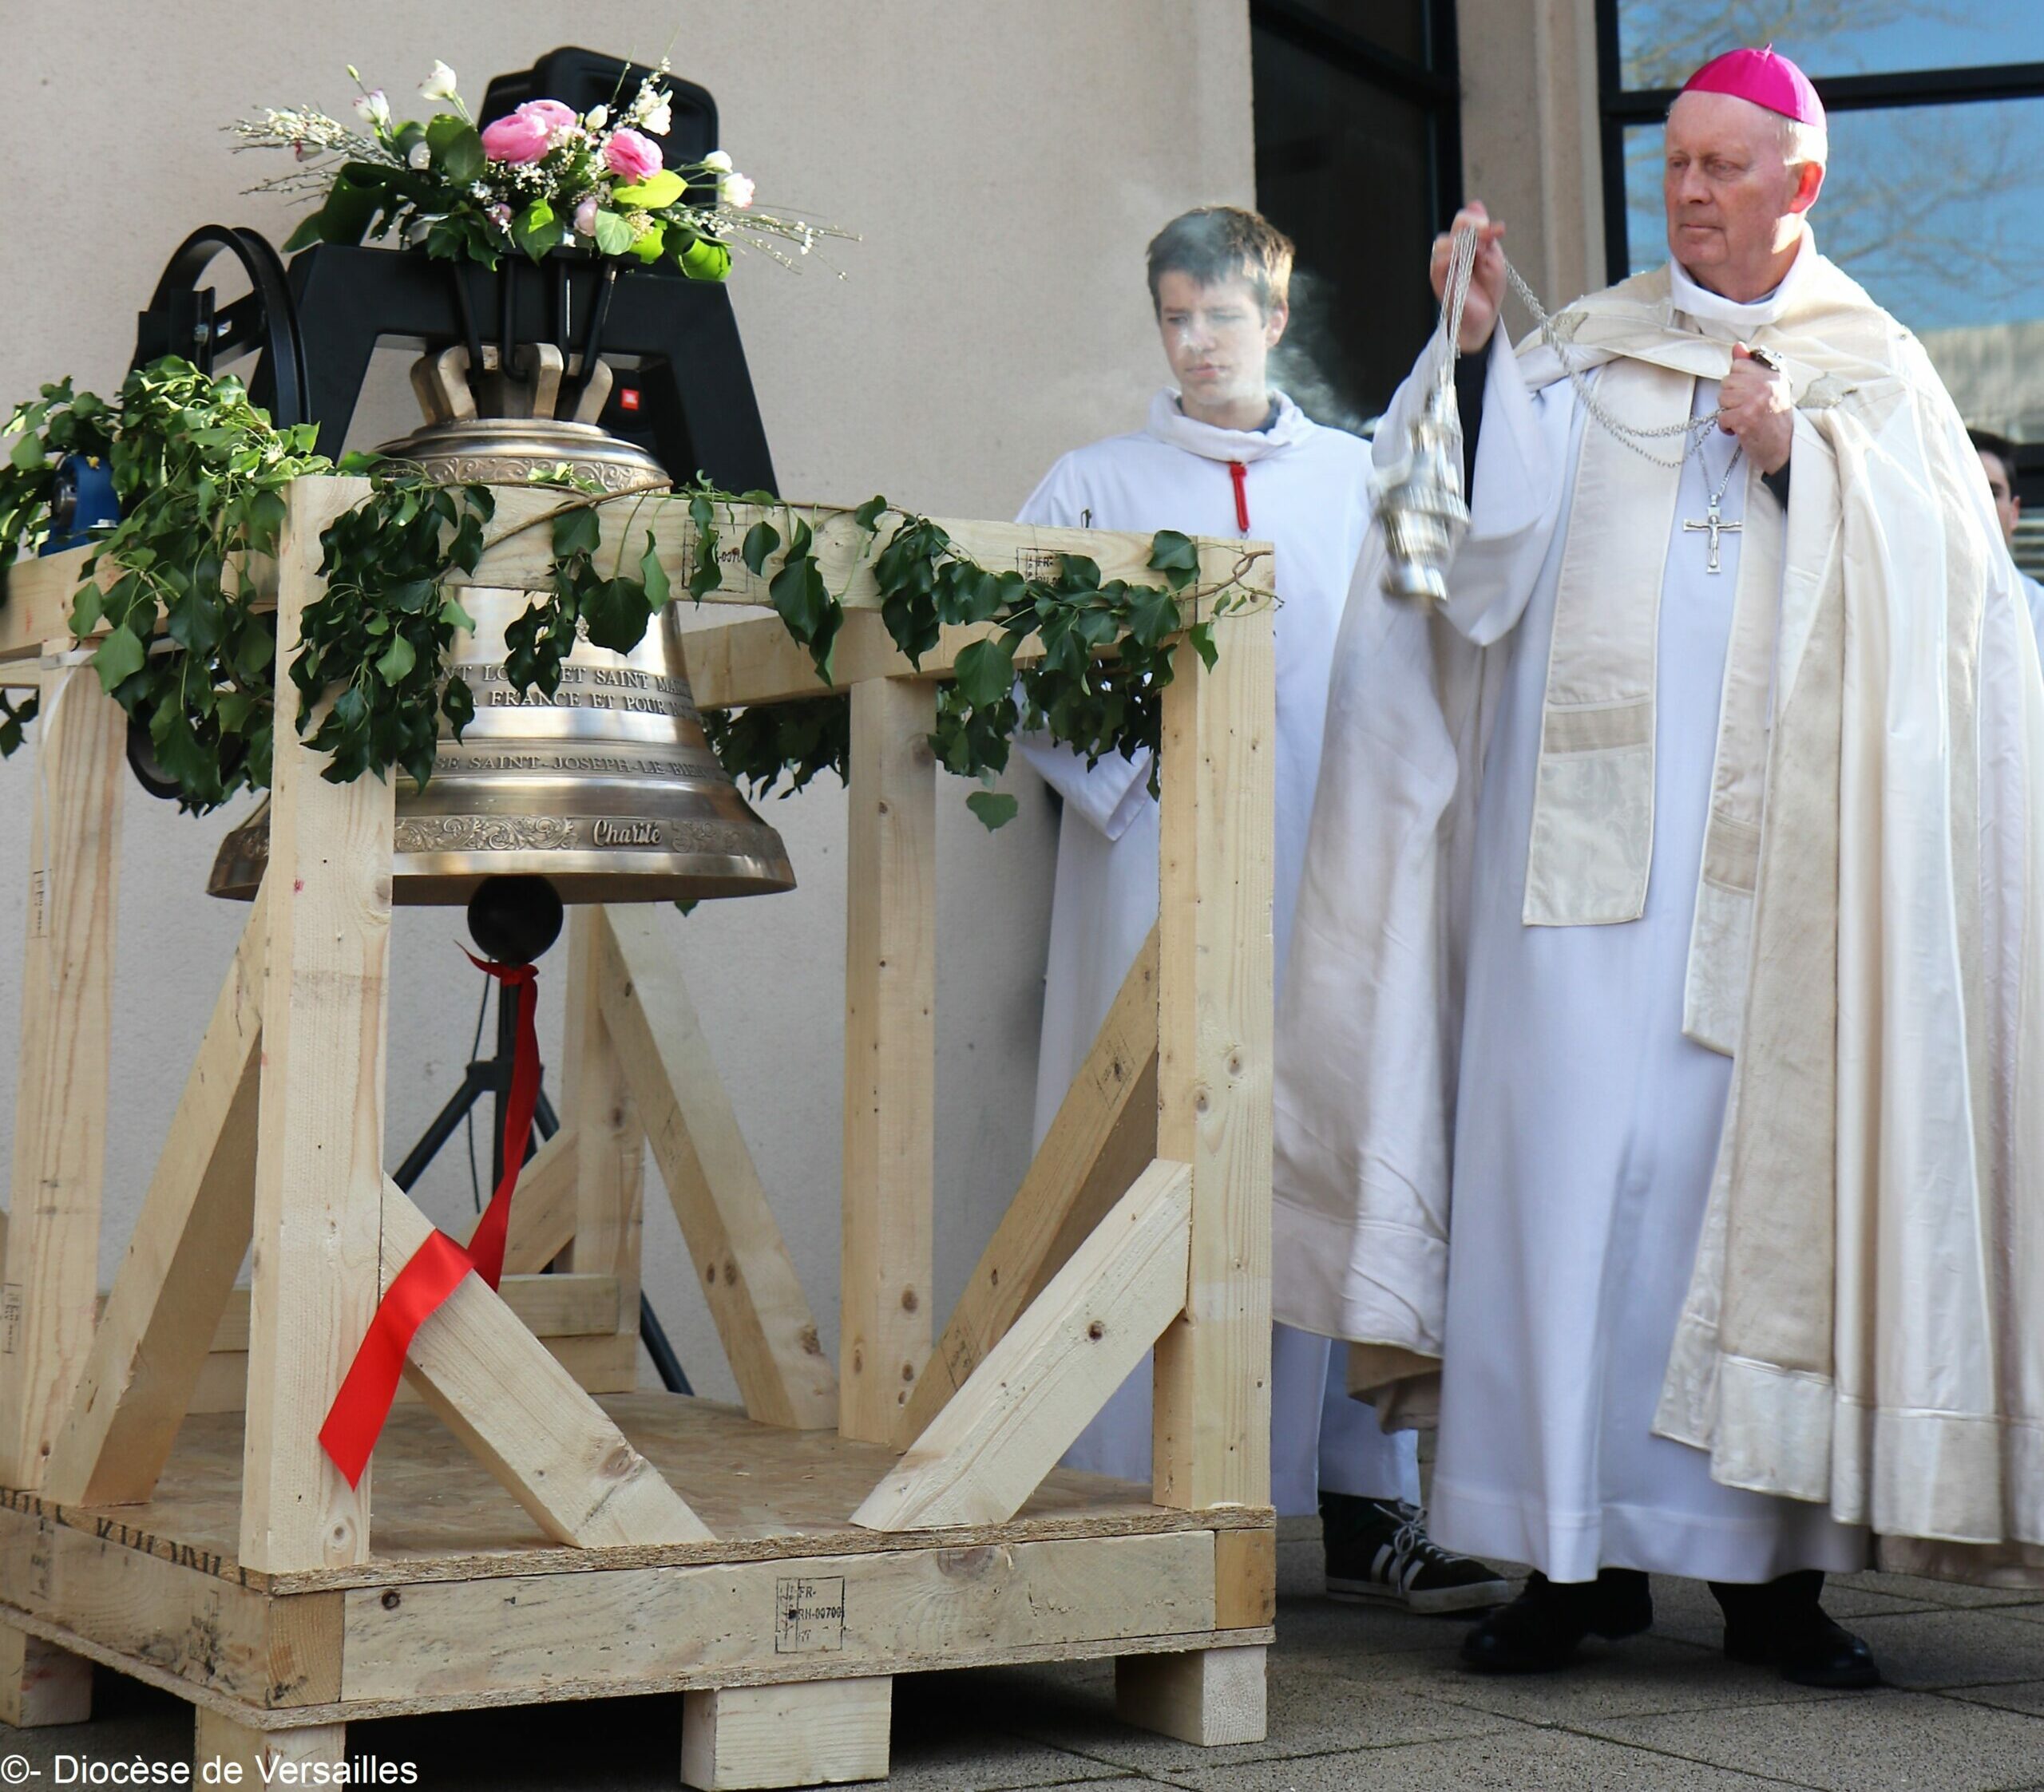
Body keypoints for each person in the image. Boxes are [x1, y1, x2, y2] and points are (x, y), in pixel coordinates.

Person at [1274, 44, 2044, 1688]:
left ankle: (1763, 1585)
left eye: (1720, 168)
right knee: (1557, 1196)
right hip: (1571, 890)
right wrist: (1469, 360)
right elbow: (1452, 568)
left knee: (1737, 1203)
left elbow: (1963, 630)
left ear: (1800, 187)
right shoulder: (1579, 355)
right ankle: (1565, 1564)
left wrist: (1801, 467)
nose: (1686, 193)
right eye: (1674, 163)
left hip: (1782, 894)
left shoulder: (1874, 376)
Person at [1017, 205, 1507, 1613]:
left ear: (1276, 318)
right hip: (1151, 870)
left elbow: (1430, 654)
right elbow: (1013, 658)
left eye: (1222, 316)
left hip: (1332, 872)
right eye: (1175, 317)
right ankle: (1122, 1501)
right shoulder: (1094, 483)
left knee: (1344, 1148)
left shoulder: (1358, 480)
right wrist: (1129, 789)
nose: (1197, 342)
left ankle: (1373, 1504)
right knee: (1153, 1150)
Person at [1970, 426, 2044, 643]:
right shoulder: (1916, 604)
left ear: (2014, 511)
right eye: (1968, 490)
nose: (1981, 504)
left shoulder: (2038, 610)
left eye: (1992, 493)